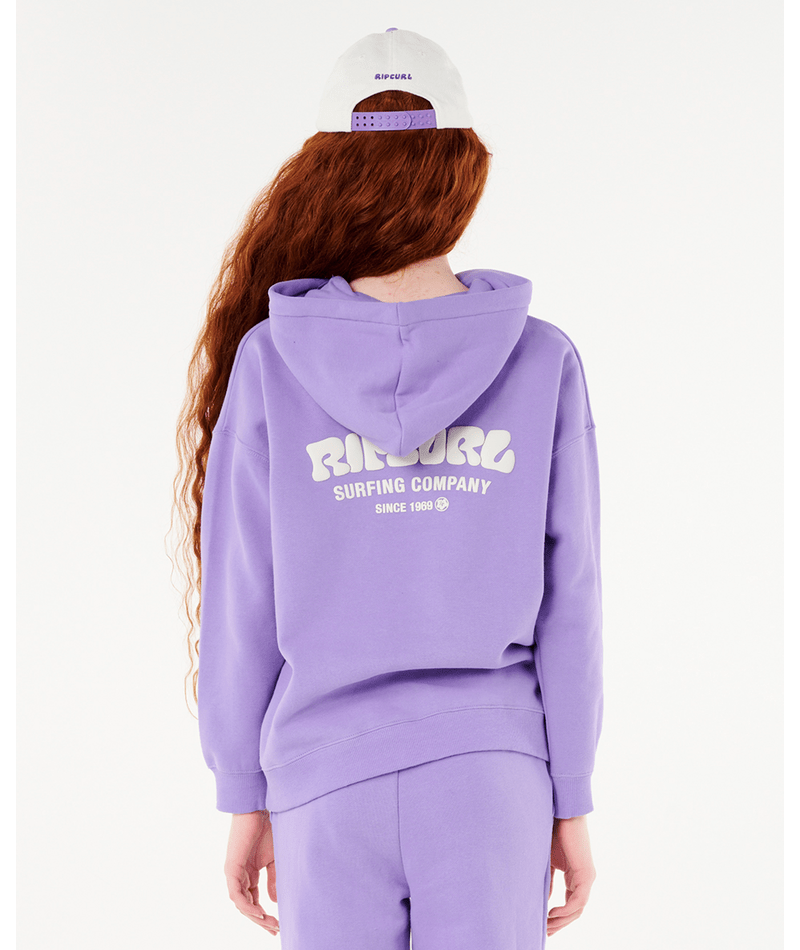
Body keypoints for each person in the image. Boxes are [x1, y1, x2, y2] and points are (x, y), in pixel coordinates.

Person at [172, 26, 604, 949]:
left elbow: (242, 595)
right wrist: (570, 798)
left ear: (328, 171)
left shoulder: (271, 362)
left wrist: (243, 793)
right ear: (464, 169)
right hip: (494, 779)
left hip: (324, 783)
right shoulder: (541, 360)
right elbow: (572, 602)